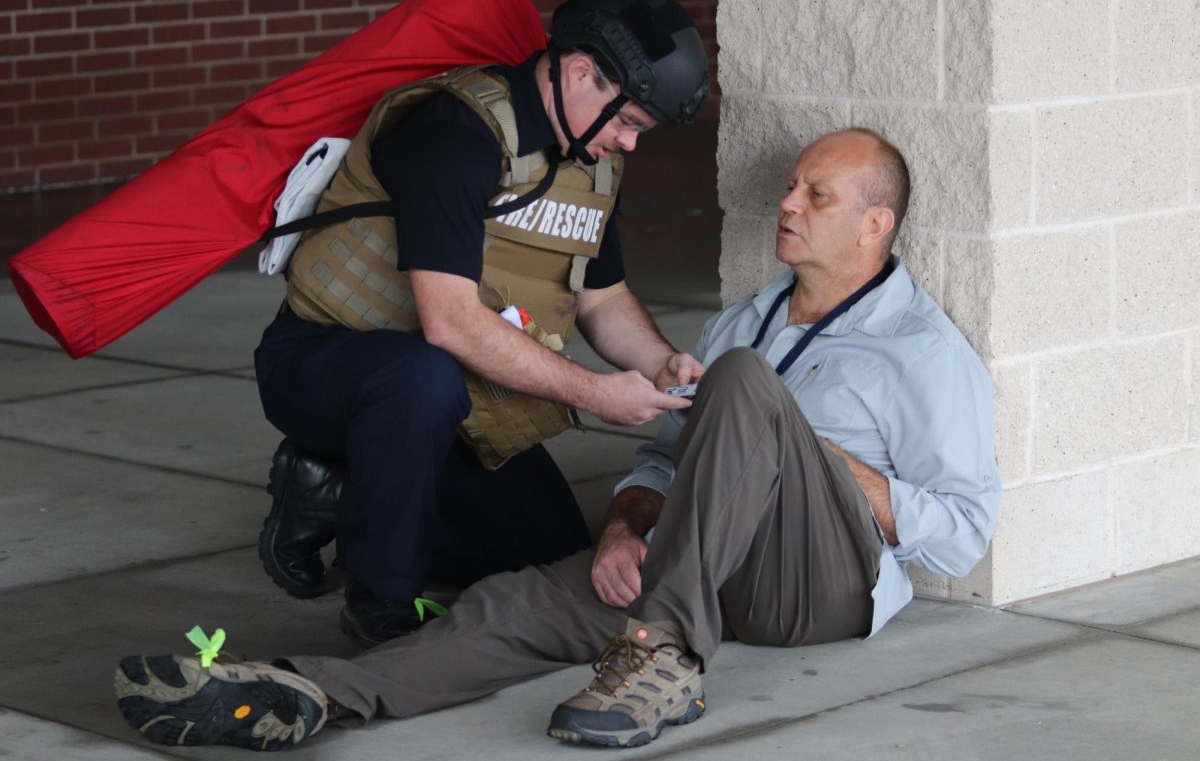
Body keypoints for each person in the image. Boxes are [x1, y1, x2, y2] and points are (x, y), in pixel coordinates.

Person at [115, 129, 1002, 752]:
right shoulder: (745, 319)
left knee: (741, 388)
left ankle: (662, 655)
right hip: (701, 564)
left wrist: (812, 459)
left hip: (818, 585)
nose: (787, 202)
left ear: (874, 225)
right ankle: (304, 693)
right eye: (792, 186)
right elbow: (665, 457)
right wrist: (626, 529)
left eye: (817, 194)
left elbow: (963, 528)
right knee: (516, 602)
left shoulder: (921, 351)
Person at [253, 0, 710, 647]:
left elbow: (603, 297)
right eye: (628, 123)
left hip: (450, 395)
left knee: (552, 556)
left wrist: (661, 362)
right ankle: (380, 600)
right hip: (326, 364)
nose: (629, 144)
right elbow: (450, 323)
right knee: (420, 377)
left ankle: (335, 493)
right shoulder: (456, 133)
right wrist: (594, 394)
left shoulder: (590, 161)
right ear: (582, 72)